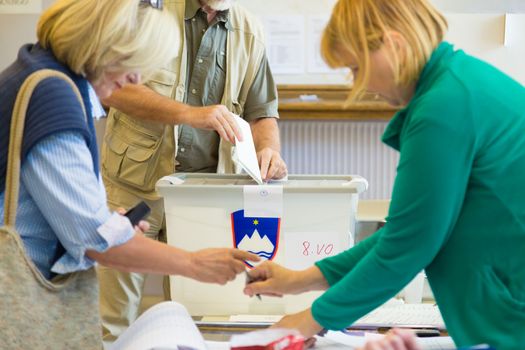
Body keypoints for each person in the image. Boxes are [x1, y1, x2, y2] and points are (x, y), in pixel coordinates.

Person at [244, 0, 525, 348]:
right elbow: (413, 229)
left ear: (393, 44)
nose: (358, 84)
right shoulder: (458, 83)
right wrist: (300, 280)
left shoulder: (444, 108)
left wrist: (306, 321)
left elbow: (407, 246)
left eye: (356, 66)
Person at [0, 0, 257, 346]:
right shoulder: (54, 96)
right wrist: (194, 263)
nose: (136, 79)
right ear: (103, 45)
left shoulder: (34, 70)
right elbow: (94, 240)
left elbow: (55, 202)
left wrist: (103, 218)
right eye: (134, 63)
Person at [98, 0, 288, 343]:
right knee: (112, 319)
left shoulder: (251, 32)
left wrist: (268, 148)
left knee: (191, 315)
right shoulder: (148, 11)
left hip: (200, 195)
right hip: (132, 184)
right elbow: (115, 89)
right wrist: (189, 114)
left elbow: (262, 113)